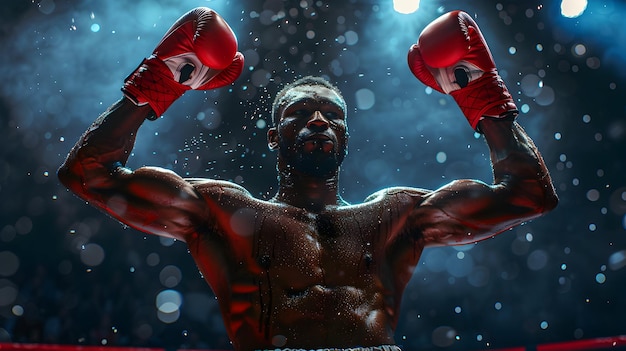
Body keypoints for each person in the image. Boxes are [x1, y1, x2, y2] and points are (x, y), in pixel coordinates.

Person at [58, 7, 558, 351]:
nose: (320, 122)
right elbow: (87, 174)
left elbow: (530, 196)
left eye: (332, 116)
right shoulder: (227, 213)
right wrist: (158, 83)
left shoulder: (394, 216)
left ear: (346, 135)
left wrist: (483, 99)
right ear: (274, 137)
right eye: (303, 113)